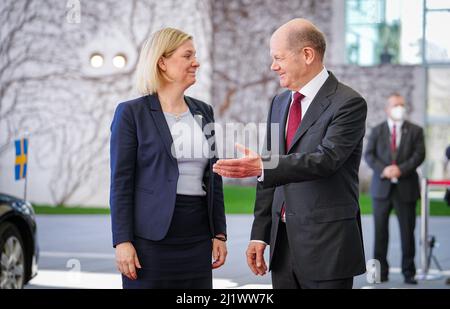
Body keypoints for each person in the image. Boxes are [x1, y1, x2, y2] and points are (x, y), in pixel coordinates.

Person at [213, 18, 366, 289]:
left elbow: (326, 159)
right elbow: (269, 174)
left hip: (327, 248)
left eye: (278, 57)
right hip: (282, 248)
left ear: (307, 54)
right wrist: (259, 235)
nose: (273, 66)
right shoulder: (280, 102)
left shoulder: (348, 103)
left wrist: (262, 166)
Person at [110, 28, 227, 289]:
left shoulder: (203, 111)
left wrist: (219, 233)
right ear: (162, 62)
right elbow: (121, 182)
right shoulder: (131, 113)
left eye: (195, 56)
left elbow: (214, 176)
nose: (195, 62)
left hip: (197, 237)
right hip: (149, 241)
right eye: (187, 56)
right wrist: (122, 241)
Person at [365, 93, 425, 285]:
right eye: (395, 105)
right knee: (379, 233)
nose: (399, 108)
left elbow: (419, 155)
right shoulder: (377, 131)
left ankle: (409, 273)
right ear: (387, 109)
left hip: (406, 189)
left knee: (408, 233)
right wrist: (385, 170)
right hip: (381, 189)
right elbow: (369, 155)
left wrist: (400, 169)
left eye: (402, 105)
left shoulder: (415, 130)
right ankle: (378, 274)